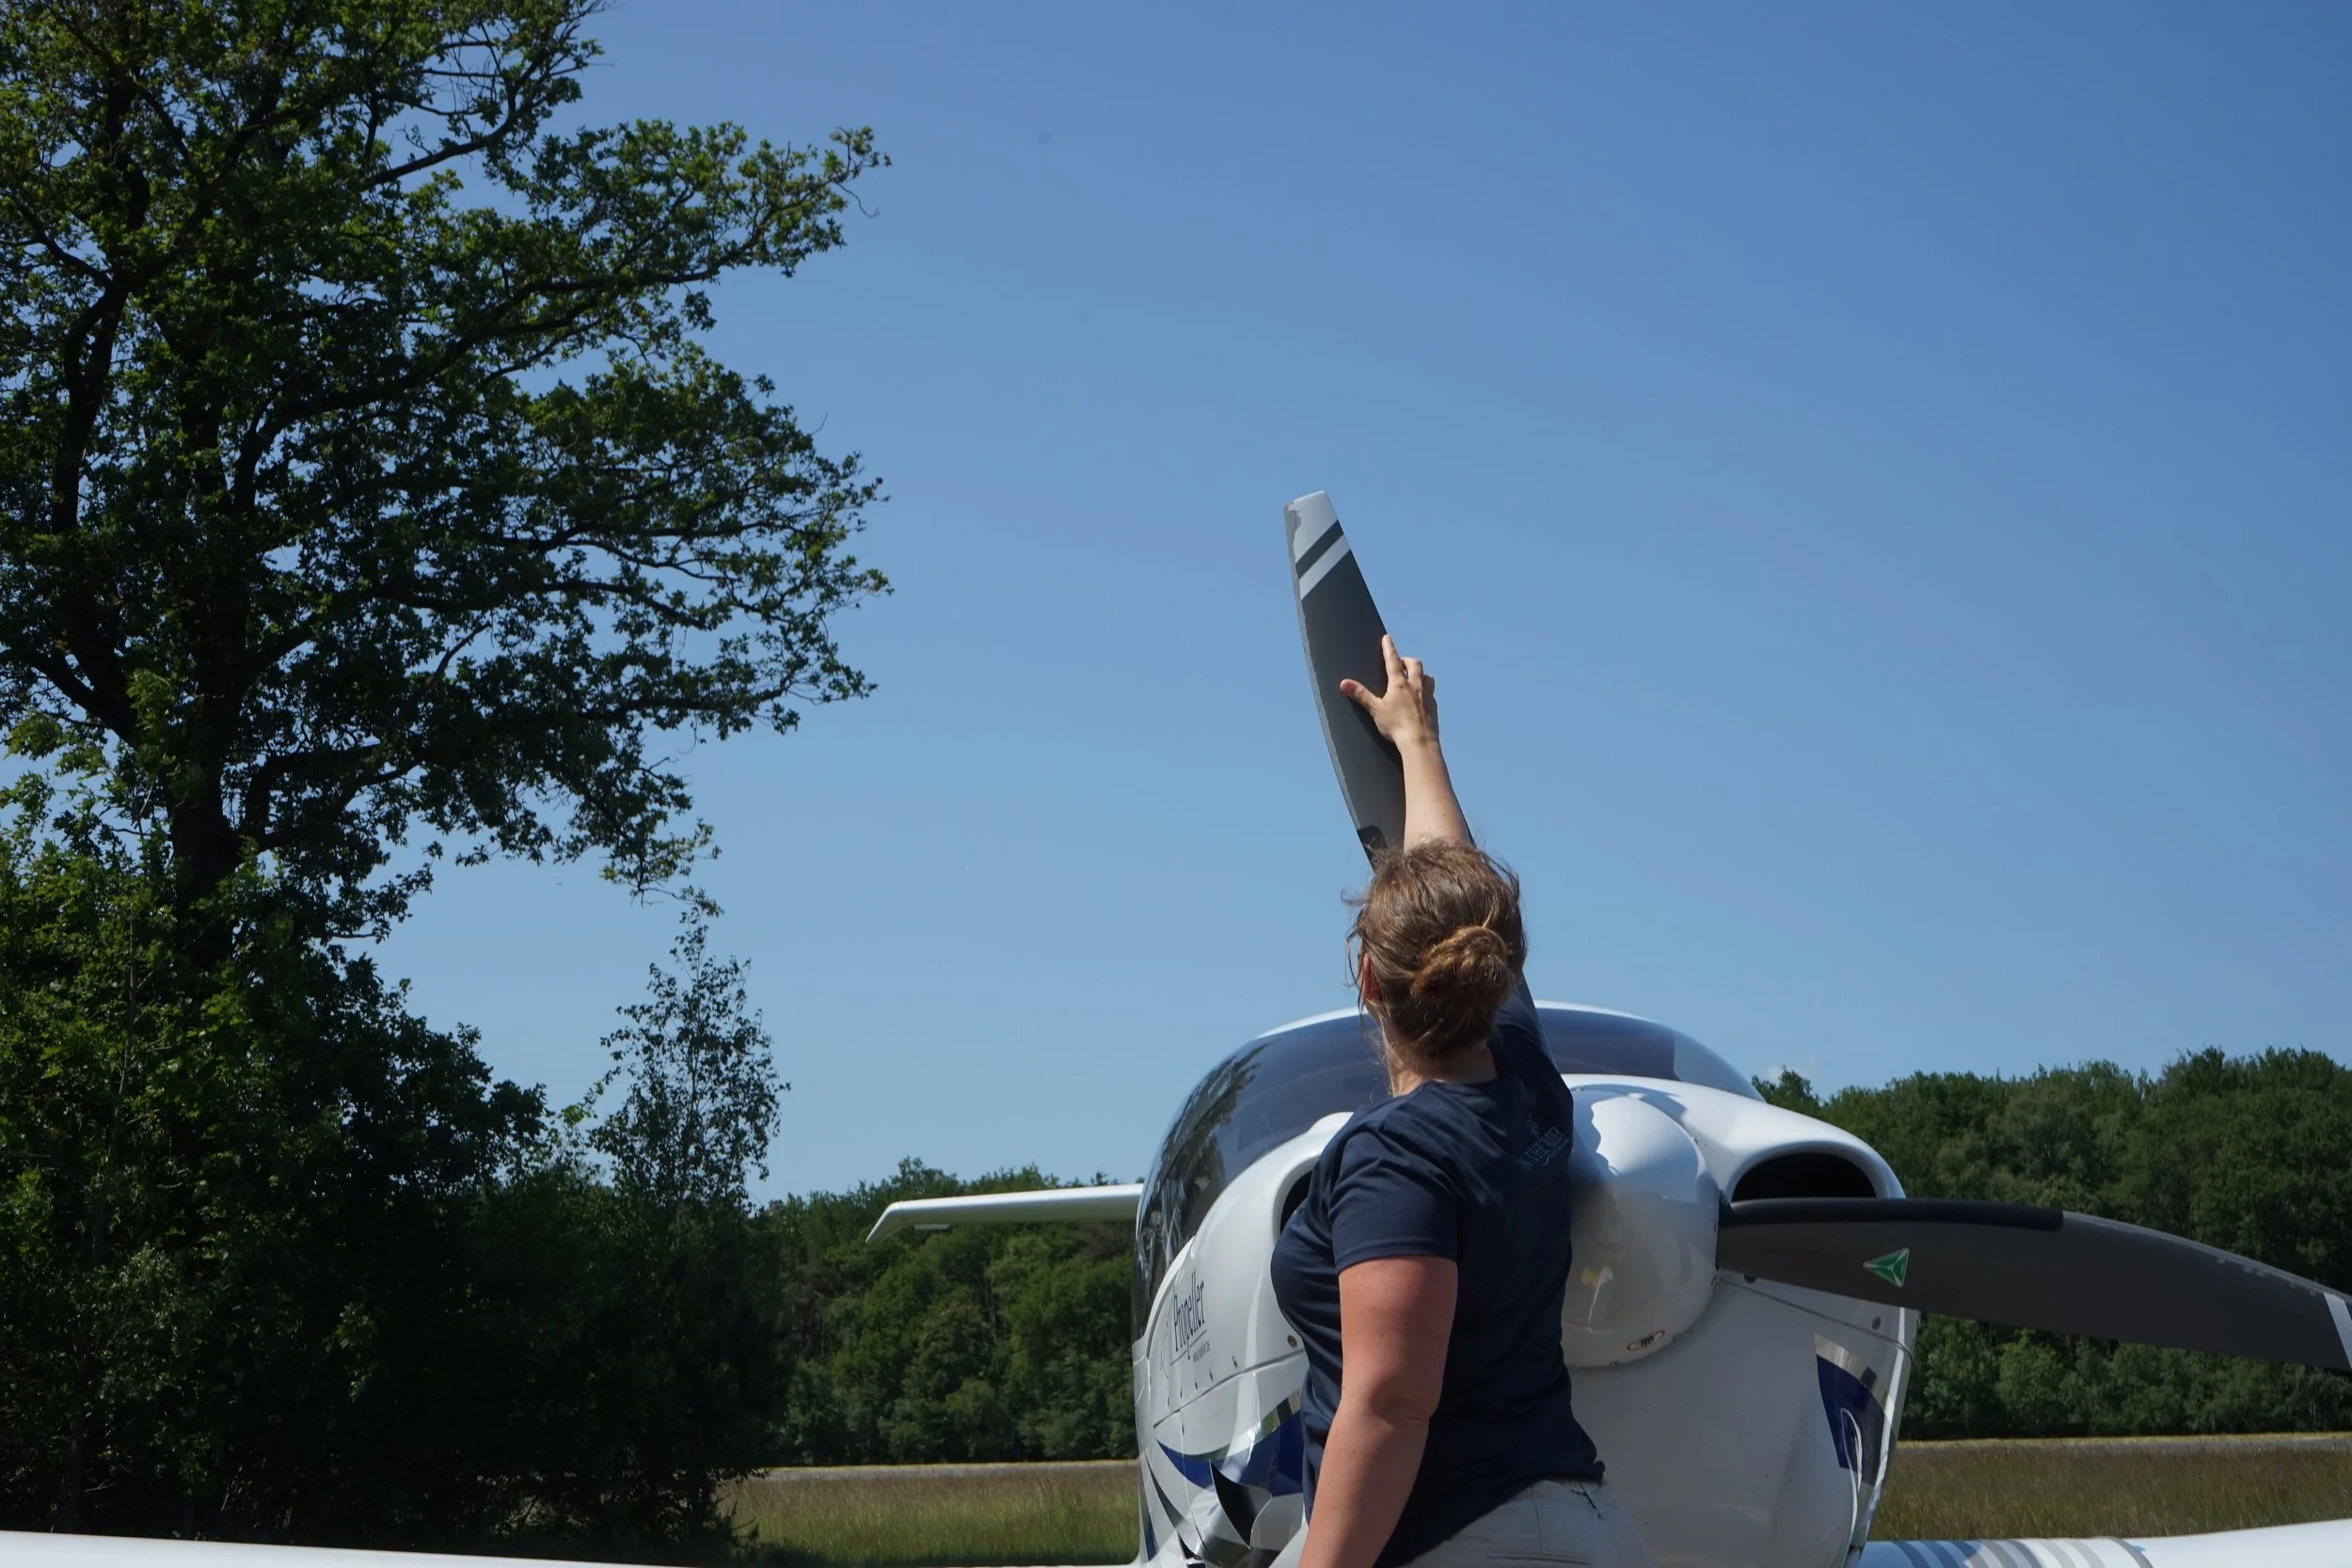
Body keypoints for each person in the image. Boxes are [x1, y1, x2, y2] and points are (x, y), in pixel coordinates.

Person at [1268, 637, 1652, 1568]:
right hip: (1582, 1524)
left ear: (1367, 978)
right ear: (1498, 967)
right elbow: (1460, 889)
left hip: (1452, 1534)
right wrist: (1418, 743)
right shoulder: (1529, 1086)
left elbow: (1395, 1400)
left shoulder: (1394, 1159)